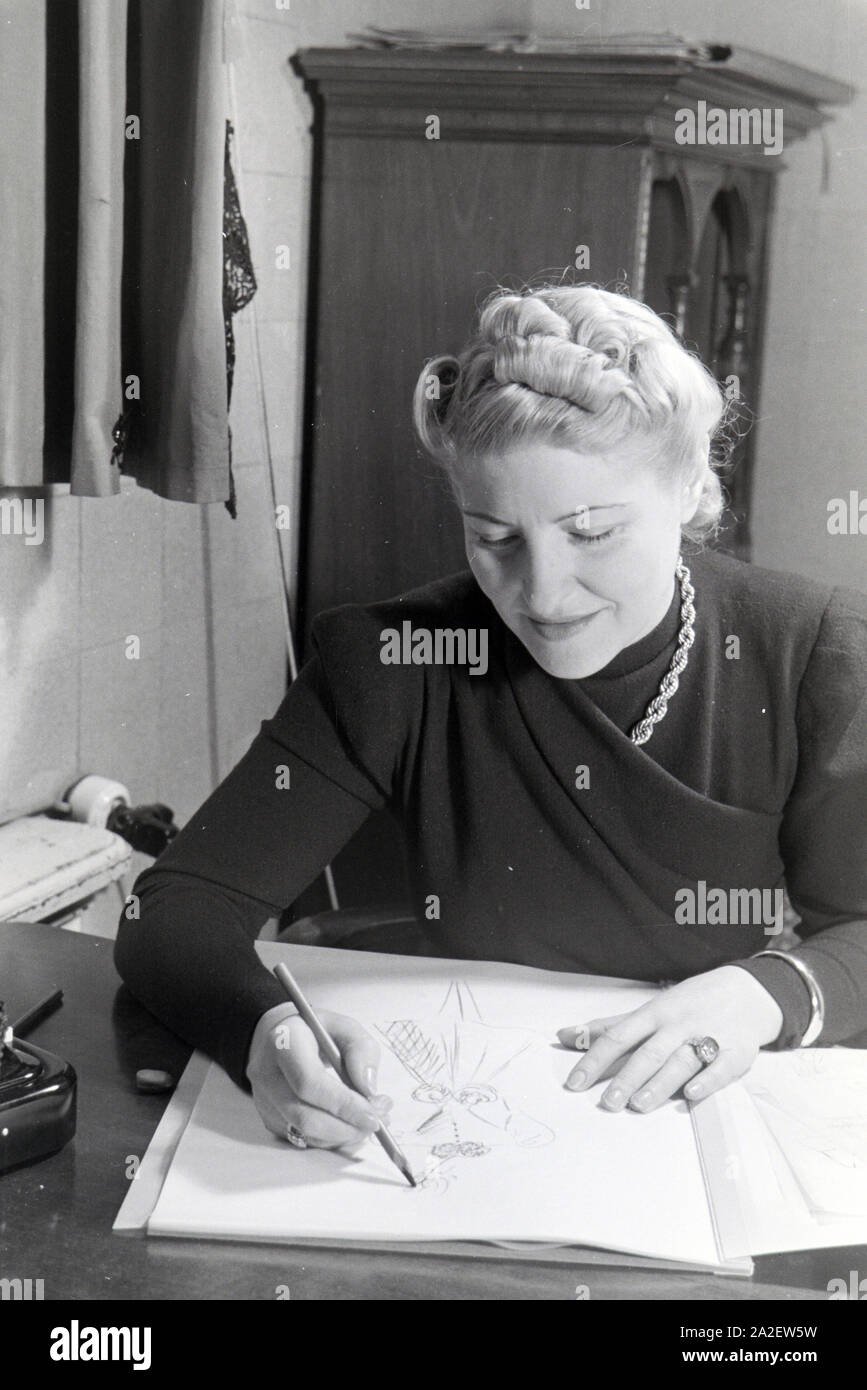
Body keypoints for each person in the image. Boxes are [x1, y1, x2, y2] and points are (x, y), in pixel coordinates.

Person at [115, 284, 867, 1153]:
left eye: (591, 534)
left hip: (696, 1126)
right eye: (493, 537)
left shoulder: (812, 655)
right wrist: (267, 1033)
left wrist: (763, 992)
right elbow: (174, 911)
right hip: (469, 1121)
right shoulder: (395, 662)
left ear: (692, 487)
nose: (540, 594)